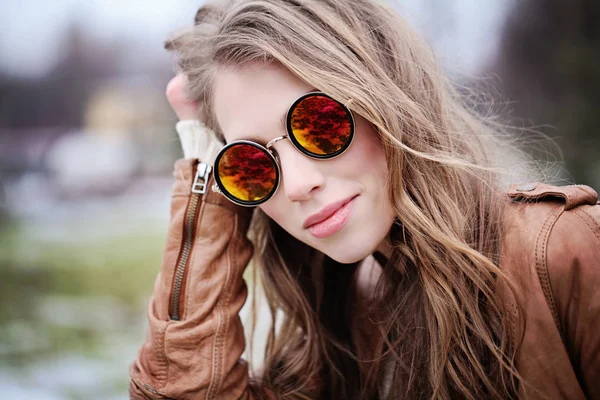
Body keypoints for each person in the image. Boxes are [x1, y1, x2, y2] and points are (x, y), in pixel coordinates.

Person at [129, 0, 600, 399]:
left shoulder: (563, 252)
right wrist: (205, 169)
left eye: (317, 122)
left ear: (388, 101)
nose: (294, 185)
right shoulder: (330, 323)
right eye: (249, 163)